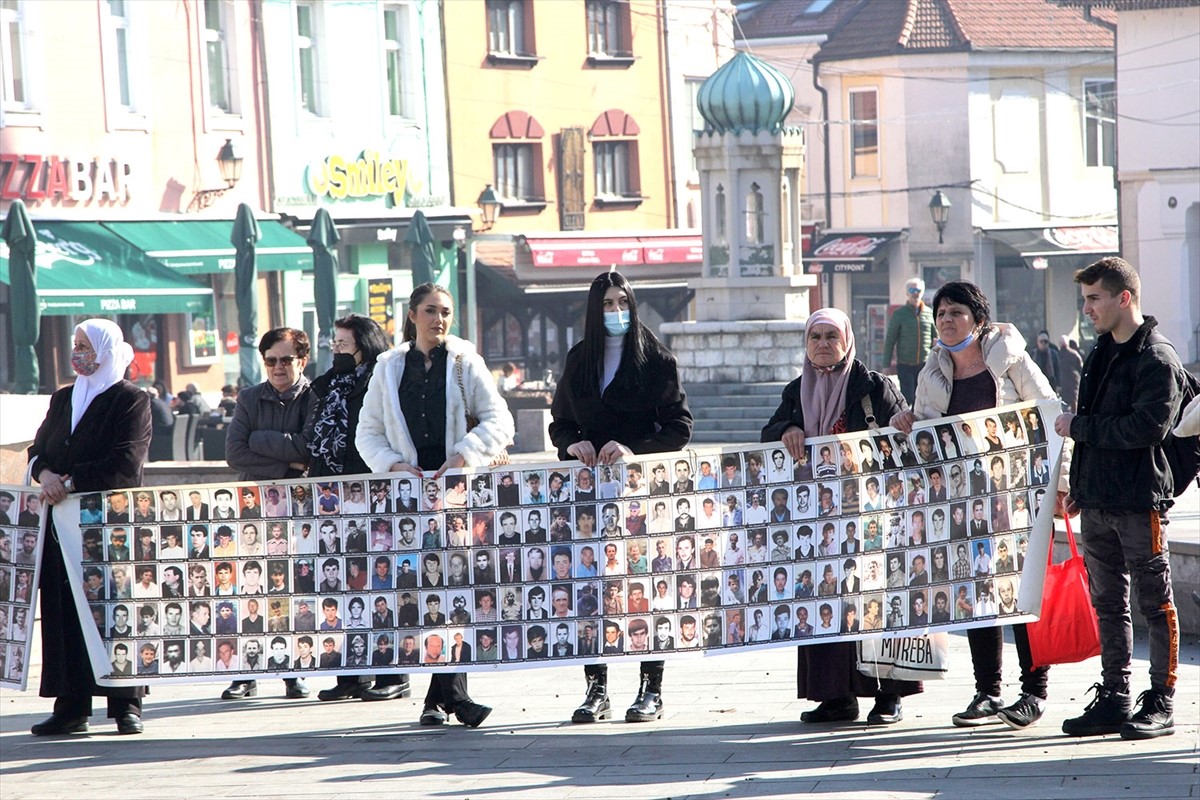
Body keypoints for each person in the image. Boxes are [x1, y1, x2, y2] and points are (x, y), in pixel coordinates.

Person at [891, 280, 1060, 731]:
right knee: (978, 596)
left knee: (1022, 596)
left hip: (1016, 498)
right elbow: (925, 432)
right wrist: (905, 421)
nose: (946, 320)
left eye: (956, 312)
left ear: (979, 320)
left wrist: (1062, 485)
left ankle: (1034, 692)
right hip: (963, 504)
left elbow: (1051, 417)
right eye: (941, 313)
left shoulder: (1011, 358)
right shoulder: (931, 372)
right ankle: (988, 691)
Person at [357, 283, 512, 728]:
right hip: (408, 497)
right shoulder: (388, 367)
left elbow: (499, 419)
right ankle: (444, 699)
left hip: (456, 492)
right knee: (424, 593)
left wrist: (465, 453)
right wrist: (393, 465)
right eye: (429, 310)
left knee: (455, 589)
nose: (438, 319)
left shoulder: (464, 361)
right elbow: (367, 432)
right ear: (411, 315)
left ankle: (447, 699)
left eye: (445, 311)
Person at [761, 307, 917, 726]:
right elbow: (768, 434)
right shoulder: (796, 390)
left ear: (847, 341)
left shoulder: (873, 386)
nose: (824, 344)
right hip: (819, 521)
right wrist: (787, 430)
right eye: (815, 337)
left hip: (871, 516)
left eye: (832, 336)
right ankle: (835, 697)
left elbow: (904, 434)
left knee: (875, 602)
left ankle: (888, 695)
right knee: (826, 602)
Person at [549, 270, 692, 725]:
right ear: (595, 311)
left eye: (623, 303)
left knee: (645, 587)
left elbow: (679, 427)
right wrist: (572, 443)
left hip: (640, 494)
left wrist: (634, 450)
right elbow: (560, 423)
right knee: (592, 590)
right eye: (608, 304)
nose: (616, 312)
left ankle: (652, 688)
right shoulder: (579, 360)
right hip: (590, 496)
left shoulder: (656, 359)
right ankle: (597, 689)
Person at [1057, 258, 1182, 740]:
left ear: (1123, 297)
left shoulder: (1157, 357)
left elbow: (1147, 428)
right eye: (1085, 299)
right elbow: (1093, 429)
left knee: (1155, 602)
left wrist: (1079, 427)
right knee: (1108, 604)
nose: (1087, 309)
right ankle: (1115, 696)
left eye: (1095, 298)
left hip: (1139, 500)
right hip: (1098, 501)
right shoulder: (1101, 351)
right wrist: (1080, 487)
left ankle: (1162, 699)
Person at [27, 319, 151, 736]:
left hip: (107, 525)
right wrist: (45, 474)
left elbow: (125, 462)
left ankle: (125, 703)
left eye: (86, 346)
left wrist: (70, 482)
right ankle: (71, 705)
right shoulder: (64, 398)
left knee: (113, 611)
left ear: (106, 350)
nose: (78, 352)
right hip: (61, 526)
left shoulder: (130, 400)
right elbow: (39, 449)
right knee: (63, 610)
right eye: (75, 344)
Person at [304, 314, 410, 704]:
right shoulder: (328, 385)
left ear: (364, 347)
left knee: (379, 585)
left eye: (343, 344)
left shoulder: (381, 380)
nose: (336, 349)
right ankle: (350, 674)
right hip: (331, 499)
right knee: (343, 588)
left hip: (371, 494)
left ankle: (392, 672)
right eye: (333, 343)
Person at [222, 326, 315, 702]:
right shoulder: (249, 397)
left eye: (286, 359)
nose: (278, 367)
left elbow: (310, 448)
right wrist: (287, 462)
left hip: (296, 505)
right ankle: (246, 673)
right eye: (271, 360)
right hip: (254, 503)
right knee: (250, 588)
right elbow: (234, 453)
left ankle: (292, 670)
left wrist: (259, 440)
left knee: (290, 587)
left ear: (302, 360)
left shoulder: (315, 396)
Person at [883, 277, 936, 405]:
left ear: (922, 292)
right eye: (912, 290)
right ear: (907, 293)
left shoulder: (929, 313)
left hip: (924, 364)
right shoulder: (899, 314)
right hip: (905, 364)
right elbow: (890, 340)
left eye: (918, 290)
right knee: (908, 398)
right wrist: (886, 365)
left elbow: (937, 338)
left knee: (922, 398)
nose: (915, 293)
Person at [1057, 335, 1084, 412]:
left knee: (1065, 402)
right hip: (1074, 380)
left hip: (1064, 381)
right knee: (1074, 401)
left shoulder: (1058, 354)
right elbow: (1081, 367)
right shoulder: (1074, 353)